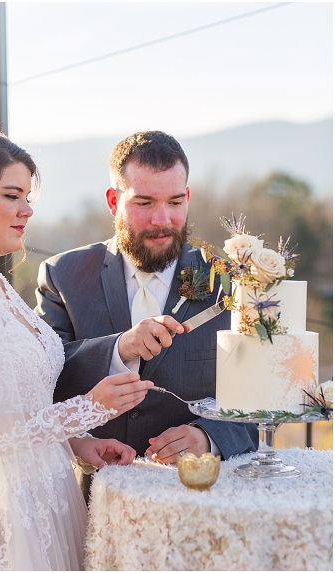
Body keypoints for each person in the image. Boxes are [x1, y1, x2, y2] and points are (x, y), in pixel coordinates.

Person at [0, 128, 152, 570]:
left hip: (51, 496)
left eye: (27, 196)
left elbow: (19, 399)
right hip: (3, 509)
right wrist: (87, 408)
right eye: (11, 195)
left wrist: (80, 442)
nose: (27, 210)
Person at [35, 130, 258, 463]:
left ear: (188, 197)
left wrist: (210, 437)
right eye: (144, 203)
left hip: (199, 494)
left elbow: (259, 402)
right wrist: (118, 348)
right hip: (90, 494)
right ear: (114, 201)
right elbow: (43, 381)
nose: (162, 220)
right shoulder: (61, 275)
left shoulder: (230, 282)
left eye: (175, 202)